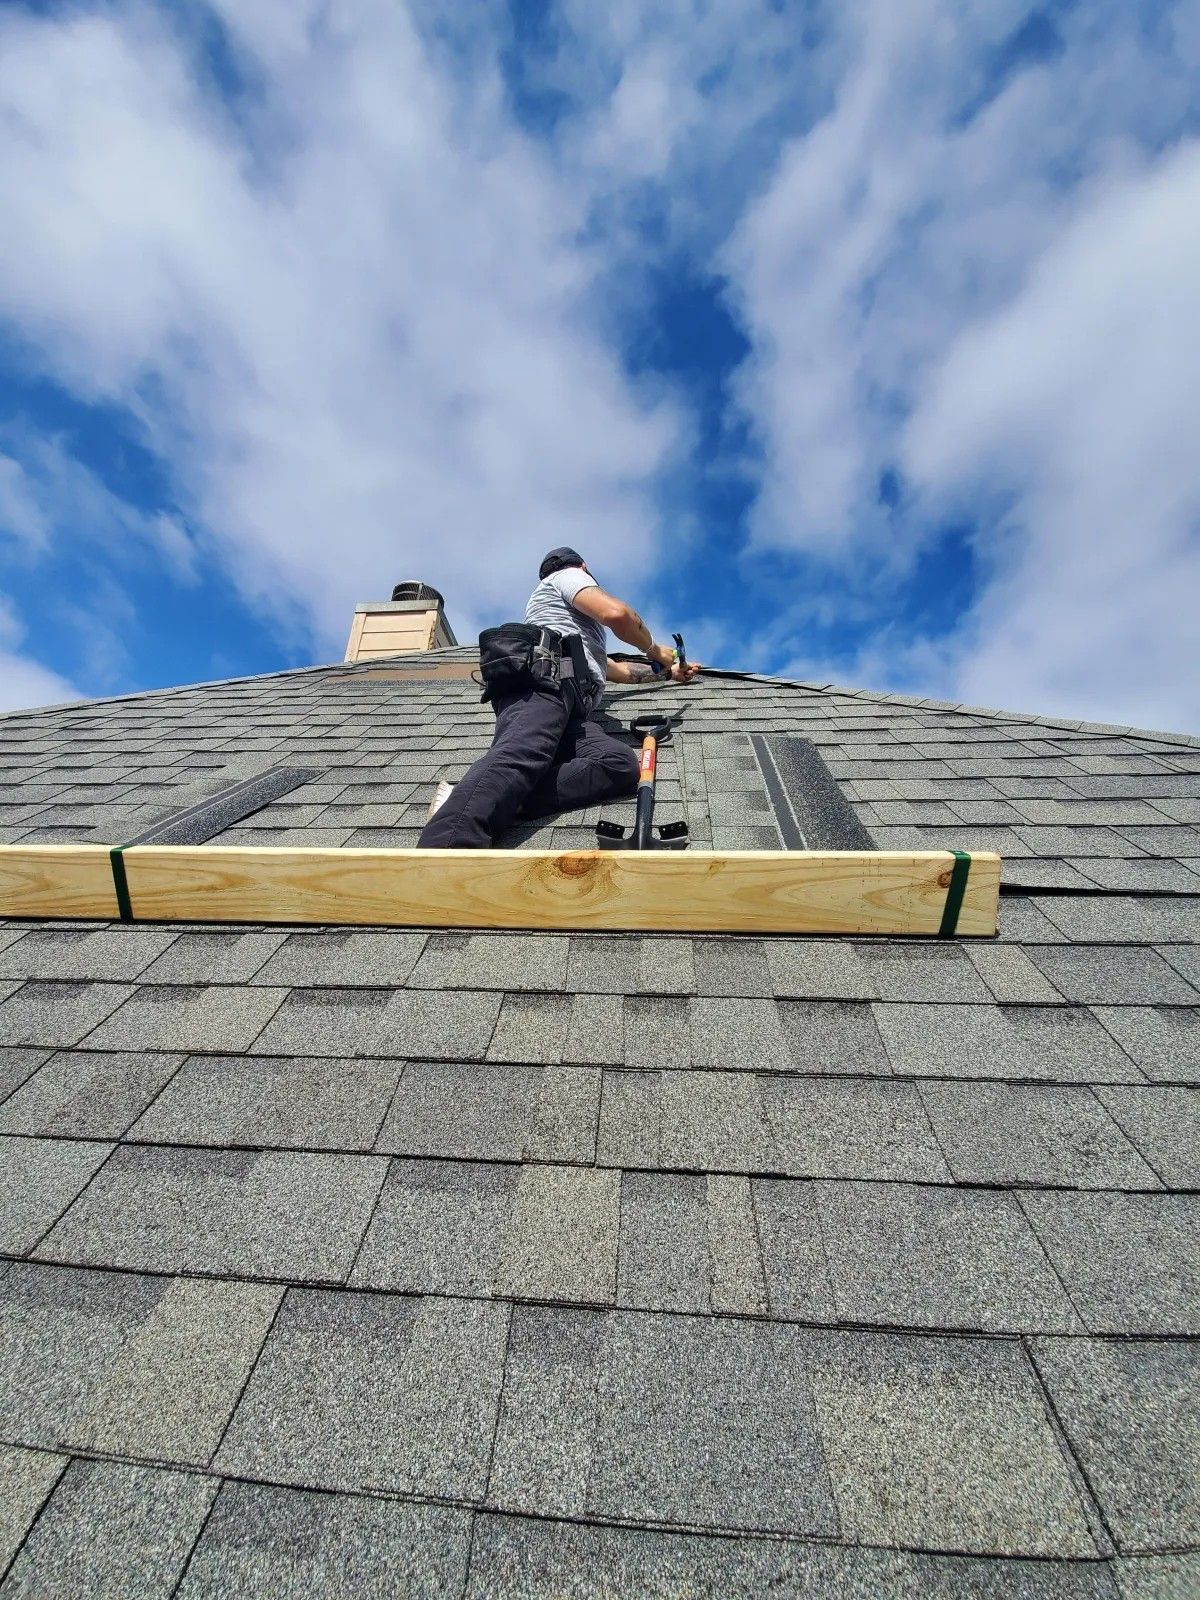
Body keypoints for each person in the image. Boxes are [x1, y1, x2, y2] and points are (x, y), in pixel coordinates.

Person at [419, 546, 700, 848]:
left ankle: (483, 800)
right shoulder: (566, 577)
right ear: (584, 568)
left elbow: (619, 671)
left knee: (618, 763)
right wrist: (654, 649)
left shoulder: (573, 632)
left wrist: (668, 673)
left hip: (571, 702)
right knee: (520, 756)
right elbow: (618, 615)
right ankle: (446, 847)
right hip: (545, 685)